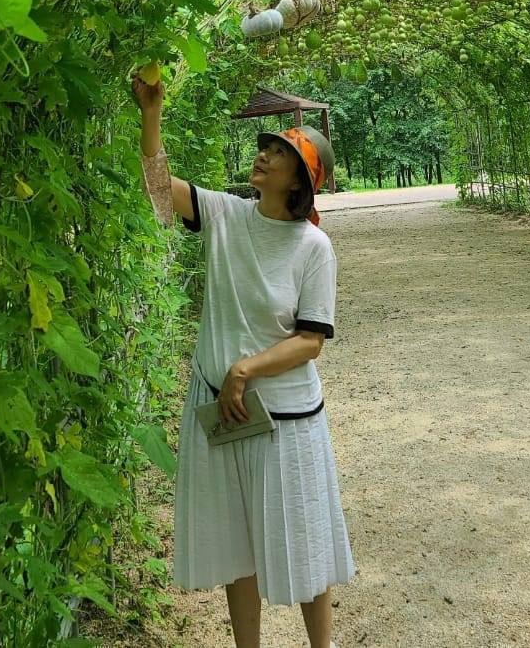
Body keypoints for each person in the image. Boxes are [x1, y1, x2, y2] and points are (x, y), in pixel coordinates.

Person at [132, 73, 356, 648]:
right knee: (238, 545)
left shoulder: (313, 247)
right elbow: (158, 190)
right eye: (267, 147)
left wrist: (245, 369)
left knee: (303, 540)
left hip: (285, 419)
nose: (264, 155)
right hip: (224, 410)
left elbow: (311, 341)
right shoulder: (227, 216)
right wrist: (151, 113)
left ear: (300, 180)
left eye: (279, 153)